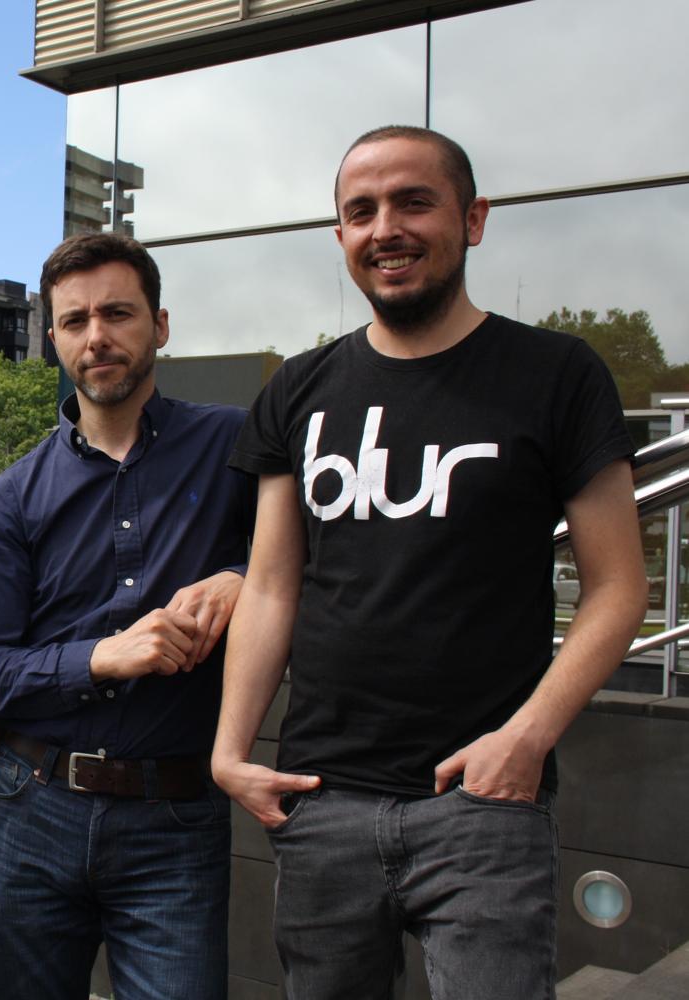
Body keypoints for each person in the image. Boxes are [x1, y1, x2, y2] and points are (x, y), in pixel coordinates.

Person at [212, 126, 648, 1000]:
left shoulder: (556, 373)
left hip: (484, 805)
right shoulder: (298, 389)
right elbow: (270, 583)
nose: (386, 228)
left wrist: (526, 740)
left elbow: (619, 586)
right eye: (360, 211)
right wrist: (228, 750)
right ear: (340, 238)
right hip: (321, 797)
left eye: (414, 201)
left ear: (473, 219)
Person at [0, 232, 256, 1000]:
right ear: (53, 338)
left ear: (159, 324)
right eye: (76, 320)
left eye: (118, 314)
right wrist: (101, 656)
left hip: (177, 815)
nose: (98, 337)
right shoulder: (14, 495)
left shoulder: (235, 447)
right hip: (33, 808)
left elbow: (317, 557)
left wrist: (240, 576)